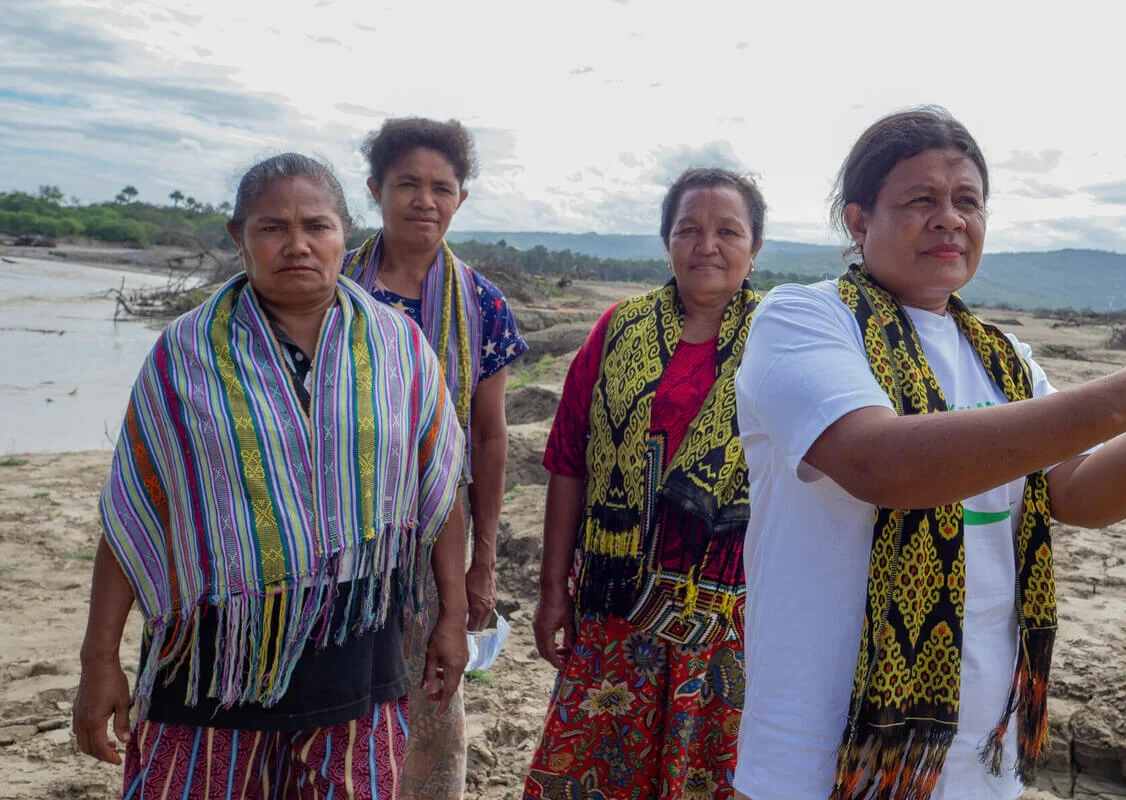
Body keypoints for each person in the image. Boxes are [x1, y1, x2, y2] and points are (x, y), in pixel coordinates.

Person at [733, 108, 1126, 800]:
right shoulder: (803, 319)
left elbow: (1078, 494)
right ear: (858, 221)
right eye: (920, 199)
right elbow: (882, 465)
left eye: (967, 201)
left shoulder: (1004, 359)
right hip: (816, 749)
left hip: (979, 748)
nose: (949, 218)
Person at [72, 153, 471, 799]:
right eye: (271, 228)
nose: (297, 245)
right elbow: (137, 511)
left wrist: (451, 617)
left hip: (358, 642)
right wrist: (99, 662)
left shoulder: (400, 350)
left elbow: (440, 488)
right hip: (211, 660)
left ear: (345, 234)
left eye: (316, 225)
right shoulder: (183, 353)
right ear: (239, 237)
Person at [525, 167, 765, 799]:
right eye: (689, 228)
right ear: (667, 241)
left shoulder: (782, 339)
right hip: (614, 610)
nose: (706, 245)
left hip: (733, 620)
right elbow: (568, 459)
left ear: (755, 247)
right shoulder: (618, 330)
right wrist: (554, 589)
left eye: (727, 231)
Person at [343, 116, 528, 800]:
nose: (425, 200)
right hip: (329, 539)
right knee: (329, 706)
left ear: (460, 199)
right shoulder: (330, 285)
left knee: (428, 693)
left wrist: (481, 564)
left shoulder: (480, 304)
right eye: (407, 184)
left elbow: (486, 437)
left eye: (441, 187)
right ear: (375, 190)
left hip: (432, 542)